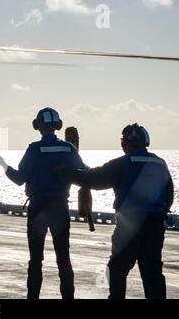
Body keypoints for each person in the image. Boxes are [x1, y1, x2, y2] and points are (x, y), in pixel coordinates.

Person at [58, 123, 174, 299]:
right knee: (153, 275)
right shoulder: (160, 163)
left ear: (124, 144)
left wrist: (66, 172)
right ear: (145, 142)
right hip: (155, 225)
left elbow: (92, 179)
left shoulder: (122, 164)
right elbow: (169, 194)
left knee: (117, 270)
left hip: (129, 225)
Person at [0, 107, 87, 299]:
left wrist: (1, 162)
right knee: (64, 259)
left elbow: (19, 178)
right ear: (57, 125)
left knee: (36, 260)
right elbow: (85, 174)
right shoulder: (69, 149)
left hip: (38, 209)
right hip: (60, 208)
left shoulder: (34, 149)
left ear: (38, 126)